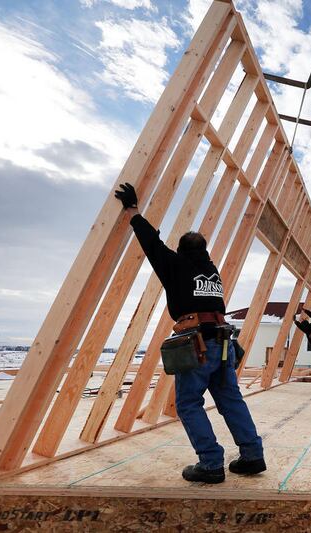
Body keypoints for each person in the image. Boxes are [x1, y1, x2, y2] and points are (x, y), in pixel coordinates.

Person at [114, 183, 265, 484]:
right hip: (223, 344)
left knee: (188, 403)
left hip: (199, 345)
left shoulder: (177, 265)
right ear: (204, 253)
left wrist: (132, 211)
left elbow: (152, 243)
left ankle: (210, 464)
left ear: (181, 252)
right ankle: (252, 456)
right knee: (230, 399)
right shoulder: (212, 271)